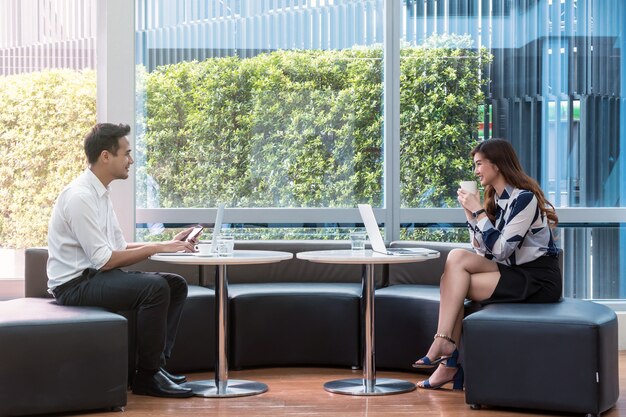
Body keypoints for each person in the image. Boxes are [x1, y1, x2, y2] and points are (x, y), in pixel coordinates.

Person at [47, 123, 198, 398]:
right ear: (106, 156)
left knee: (176, 285)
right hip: (73, 285)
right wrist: (157, 247)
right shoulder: (80, 196)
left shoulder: (101, 194)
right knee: (155, 288)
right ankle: (147, 378)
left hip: (94, 276)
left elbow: (117, 247)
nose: (131, 160)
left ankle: (156, 366)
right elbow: (105, 260)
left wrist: (170, 244)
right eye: (126, 153)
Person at [412, 138, 561, 390]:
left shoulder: (524, 199)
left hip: (538, 280)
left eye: (479, 164)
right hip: (512, 271)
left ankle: (447, 358)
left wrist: (479, 211)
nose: (476, 171)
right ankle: (445, 353)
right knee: (457, 260)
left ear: (498, 165)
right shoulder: (497, 200)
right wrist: (470, 212)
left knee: (454, 280)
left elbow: (502, 250)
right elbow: (482, 249)